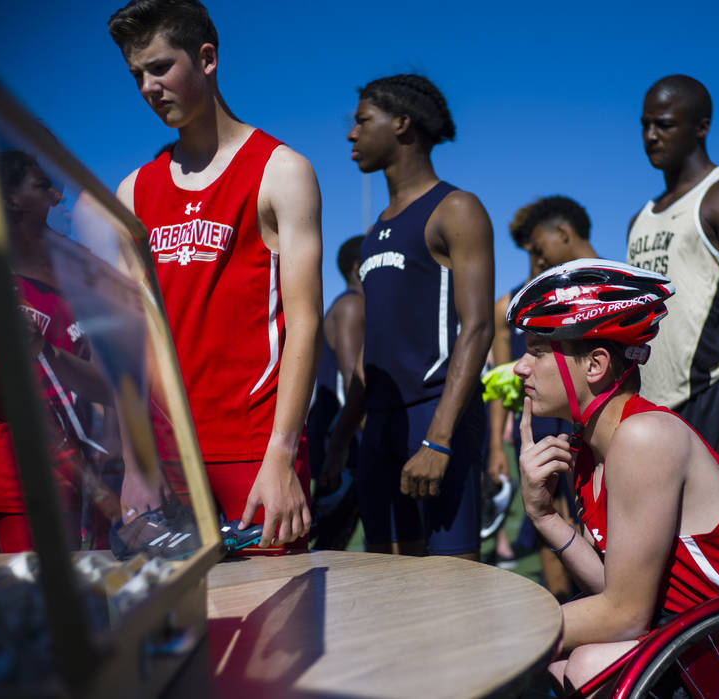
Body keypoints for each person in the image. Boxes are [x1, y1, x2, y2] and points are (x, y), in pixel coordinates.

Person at [509, 259, 719, 691]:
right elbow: (617, 588)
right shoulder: (592, 450)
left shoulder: (643, 437)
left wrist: (503, 632)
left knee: (582, 665)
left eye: (537, 350)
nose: (520, 367)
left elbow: (625, 614)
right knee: (561, 664)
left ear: (595, 365)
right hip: (709, 637)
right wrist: (545, 517)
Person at [110, 0, 322, 550]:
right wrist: (134, 461)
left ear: (207, 59)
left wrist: (281, 453)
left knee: (275, 629)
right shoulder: (133, 192)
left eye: (159, 67)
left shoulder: (281, 170)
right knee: (179, 632)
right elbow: (129, 338)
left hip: (255, 448)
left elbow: (304, 323)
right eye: (137, 75)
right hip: (166, 458)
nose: (148, 88)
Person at [323, 74, 494, 559]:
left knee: (452, 585)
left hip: (437, 414)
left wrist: (438, 441)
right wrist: (340, 438)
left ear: (401, 124)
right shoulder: (375, 231)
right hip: (379, 426)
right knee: (390, 586)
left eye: (361, 122)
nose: (351, 135)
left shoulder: (455, 208)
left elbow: (478, 327)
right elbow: (371, 354)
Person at [0, 152, 99, 554]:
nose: (61, 197)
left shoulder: (82, 273)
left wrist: (45, 350)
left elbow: (112, 388)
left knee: (43, 617)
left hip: (43, 489)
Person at [626, 75, 719, 483]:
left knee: (716, 540)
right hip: (650, 406)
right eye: (645, 124)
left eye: (665, 124)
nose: (651, 136)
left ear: (701, 126)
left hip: (712, 395)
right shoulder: (639, 220)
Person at [488, 196, 594, 591]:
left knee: (587, 512)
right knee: (550, 513)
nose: (536, 257)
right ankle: (563, 603)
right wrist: (498, 445)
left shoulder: (579, 294)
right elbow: (502, 379)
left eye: (537, 247)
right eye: (529, 250)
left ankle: (593, 598)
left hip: (580, 415)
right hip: (538, 419)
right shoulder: (508, 306)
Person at [306, 235, 364, 549]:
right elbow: (353, 379)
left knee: (335, 536)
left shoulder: (349, 303)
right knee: (328, 540)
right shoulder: (353, 304)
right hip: (346, 441)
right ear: (359, 266)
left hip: (342, 436)